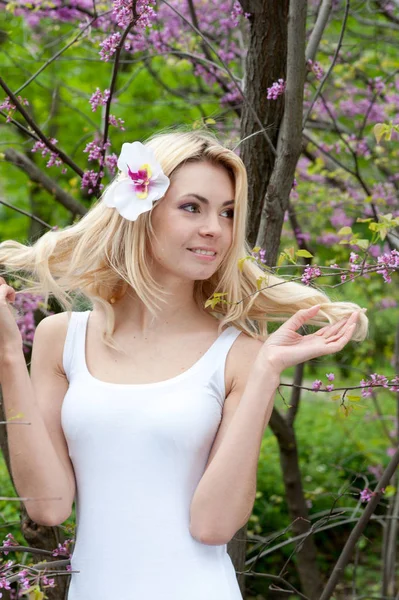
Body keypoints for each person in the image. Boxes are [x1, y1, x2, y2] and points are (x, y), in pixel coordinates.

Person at [0, 128, 368, 599]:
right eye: (192, 207)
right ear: (141, 213)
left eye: (228, 212)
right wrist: (10, 355)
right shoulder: (61, 338)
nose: (215, 228)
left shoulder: (239, 353)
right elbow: (47, 506)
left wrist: (266, 372)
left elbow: (213, 525)